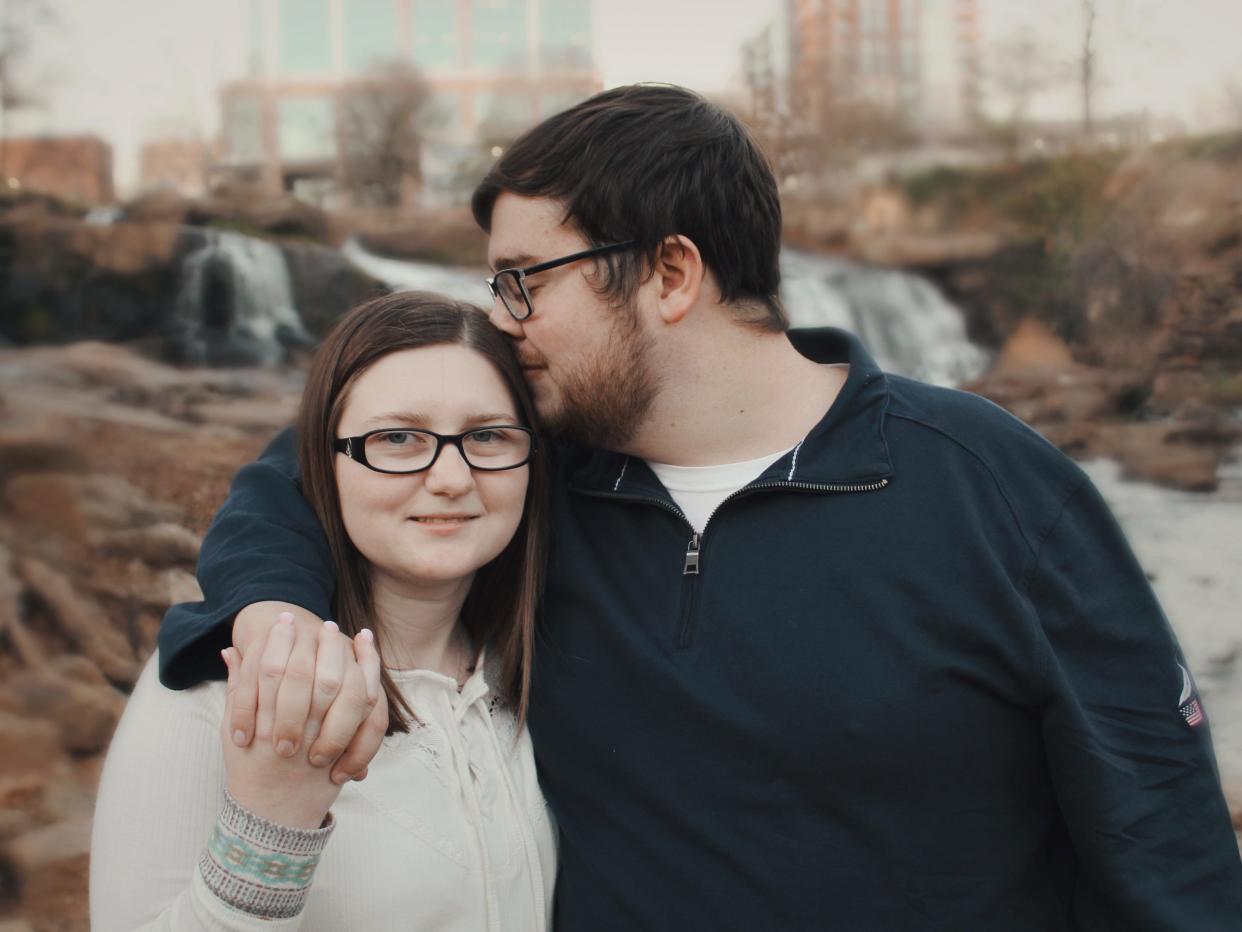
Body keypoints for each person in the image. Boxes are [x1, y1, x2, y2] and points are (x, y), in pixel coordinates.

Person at [158, 85, 1242, 930]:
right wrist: (272, 614)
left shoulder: (992, 484)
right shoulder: (533, 477)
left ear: (670, 274)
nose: (500, 318)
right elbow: (310, 469)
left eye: (526, 279)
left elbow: (1162, 834)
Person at [90, 293, 556, 930]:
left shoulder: (530, 667)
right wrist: (271, 828)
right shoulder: (222, 689)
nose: (452, 477)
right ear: (319, 465)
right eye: (396, 437)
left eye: (487, 435)